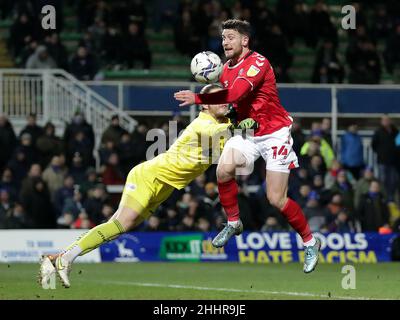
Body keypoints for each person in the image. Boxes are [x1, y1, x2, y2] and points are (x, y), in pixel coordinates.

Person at [38, 84, 257, 288]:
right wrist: (240, 124)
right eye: (217, 98)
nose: (223, 101)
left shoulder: (222, 124)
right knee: (122, 224)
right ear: (206, 104)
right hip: (149, 176)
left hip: (165, 186)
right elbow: (223, 133)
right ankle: (66, 259)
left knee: (116, 227)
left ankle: (54, 260)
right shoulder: (204, 123)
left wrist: (243, 119)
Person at [174, 19, 321, 273]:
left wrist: (198, 97)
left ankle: (310, 242)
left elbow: (234, 95)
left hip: (275, 133)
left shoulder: (258, 63)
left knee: (276, 198)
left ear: (245, 40)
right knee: (223, 170)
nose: (225, 42)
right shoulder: (226, 69)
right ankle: (233, 222)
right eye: (222, 38)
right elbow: (233, 106)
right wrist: (230, 118)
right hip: (249, 132)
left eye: (230, 37)